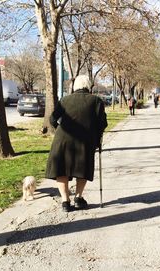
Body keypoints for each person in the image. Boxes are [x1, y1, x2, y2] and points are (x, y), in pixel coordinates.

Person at [46, 75, 108, 212]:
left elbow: (52, 119)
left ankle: (65, 201)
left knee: (61, 169)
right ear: (88, 86)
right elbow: (102, 123)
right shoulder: (96, 101)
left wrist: (61, 129)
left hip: (62, 140)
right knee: (82, 169)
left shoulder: (64, 100)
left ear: (75, 87)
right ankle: (78, 198)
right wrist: (96, 138)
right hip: (84, 141)